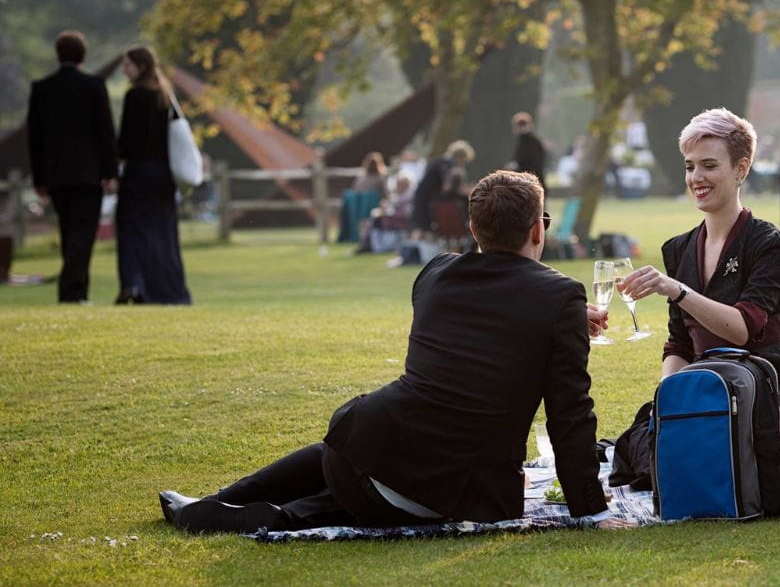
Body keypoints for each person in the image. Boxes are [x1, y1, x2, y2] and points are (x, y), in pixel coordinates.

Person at [159, 170, 631, 533]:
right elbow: (569, 414)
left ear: (472, 228)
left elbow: (480, 329)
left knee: (338, 471)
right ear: (537, 230)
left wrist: (562, 321)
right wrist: (590, 511)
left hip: (361, 439)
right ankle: (223, 515)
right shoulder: (559, 298)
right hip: (443, 485)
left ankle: (215, 501)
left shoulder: (436, 273)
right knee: (316, 509)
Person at [619, 108, 780, 403]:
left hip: (765, 383)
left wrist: (676, 289)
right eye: (690, 166)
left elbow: (743, 331)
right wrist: (670, 397)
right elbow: (679, 345)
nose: (696, 177)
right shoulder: (677, 249)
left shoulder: (770, 243)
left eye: (709, 165)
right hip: (704, 381)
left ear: (741, 168)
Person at [25, 30, 118, 303]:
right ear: (82, 55)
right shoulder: (94, 86)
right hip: (88, 173)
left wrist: (39, 177)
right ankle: (73, 291)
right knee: (83, 234)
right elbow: (105, 132)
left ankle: (75, 291)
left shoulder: (42, 89)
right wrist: (110, 171)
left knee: (69, 231)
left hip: (56, 174)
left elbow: (35, 139)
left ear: (58, 55)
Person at [113, 45, 192, 305]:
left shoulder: (135, 97)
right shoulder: (165, 96)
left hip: (138, 172)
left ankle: (134, 284)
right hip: (163, 175)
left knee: (131, 229)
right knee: (162, 232)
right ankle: (168, 290)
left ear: (141, 66)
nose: (125, 70)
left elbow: (126, 142)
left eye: (128, 65)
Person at [411, 140, 473, 234]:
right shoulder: (445, 164)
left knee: (421, 228)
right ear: (460, 156)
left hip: (424, 197)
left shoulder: (441, 162)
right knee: (423, 228)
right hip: (425, 199)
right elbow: (447, 186)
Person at [511, 112, 547, 189]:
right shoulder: (535, 140)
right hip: (536, 180)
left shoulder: (525, 141)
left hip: (527, 182)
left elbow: (522, 160)